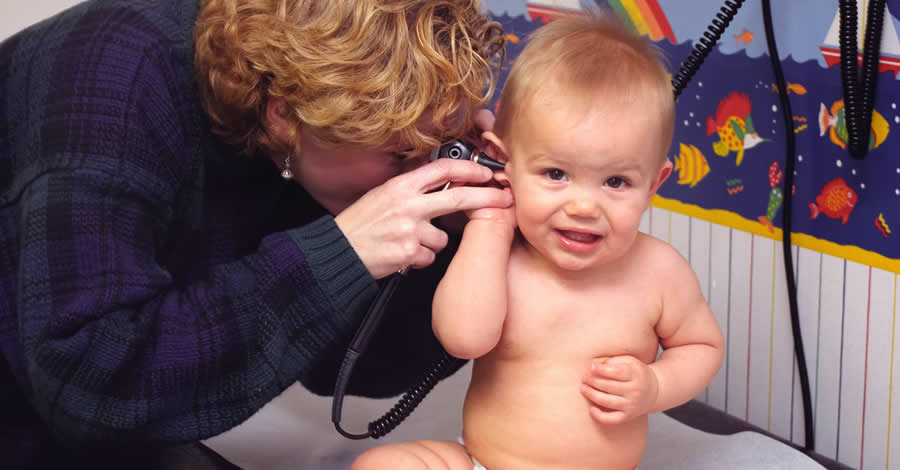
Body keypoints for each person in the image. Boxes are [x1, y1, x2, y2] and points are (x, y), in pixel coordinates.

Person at [0, 0, 512, 467]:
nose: (421, 177)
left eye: (439, 144)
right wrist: (339, 255)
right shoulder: (113, 80)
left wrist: (462, 243)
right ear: (284, 117)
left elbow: (351, 368)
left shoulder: (309, 129)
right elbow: (86, 381)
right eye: (400, 154)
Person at [352, 9, 725, 470]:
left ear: (654, 183)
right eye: (555, 173)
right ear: (500, 163)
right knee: (384, 466)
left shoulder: (660, 271)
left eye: (615, 182)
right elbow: (463, 339)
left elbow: (701, 347)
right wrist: (490, 222)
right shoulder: (499, 253)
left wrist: (656, 386)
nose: (585, 207)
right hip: (484, 463)